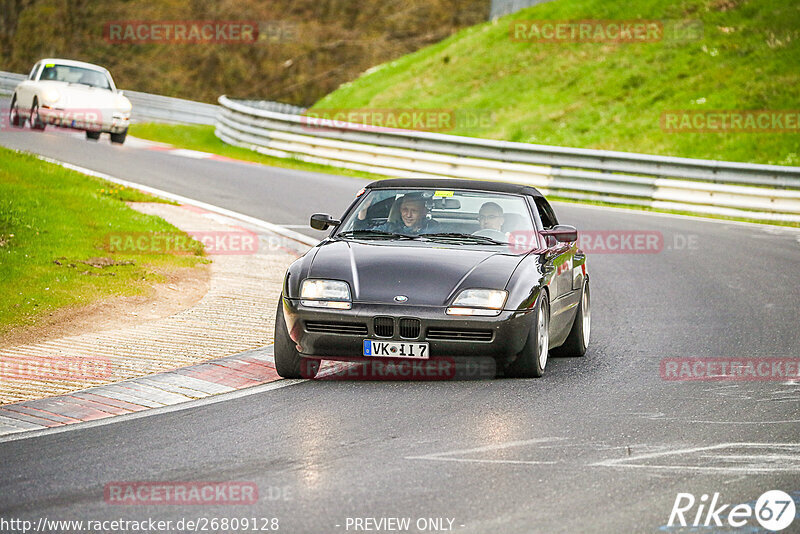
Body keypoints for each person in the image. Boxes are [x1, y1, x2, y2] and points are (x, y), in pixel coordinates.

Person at [356, 192, 440, 235]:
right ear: (400, 209)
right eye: (405, 209)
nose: (408, 215)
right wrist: (363, 209)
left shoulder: (435, 230)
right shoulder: (389, 228)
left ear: (424, 212)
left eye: (414, 211)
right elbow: (361, 234)